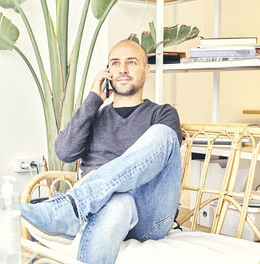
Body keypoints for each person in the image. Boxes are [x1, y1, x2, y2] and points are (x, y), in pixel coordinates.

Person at [20, 39, 182, 264]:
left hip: (149, 217)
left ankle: (71, 207)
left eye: (131, 62)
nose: (122, 69)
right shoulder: (94, 116)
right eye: (115, 63)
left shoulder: (162, 114)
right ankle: (77, 207)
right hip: (104, 210)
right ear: (108, 72)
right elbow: (64, 152)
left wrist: (95, 179)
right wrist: (93, 100)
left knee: (165, 135)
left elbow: (161, 155)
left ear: (147, 70)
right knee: (118, 202)